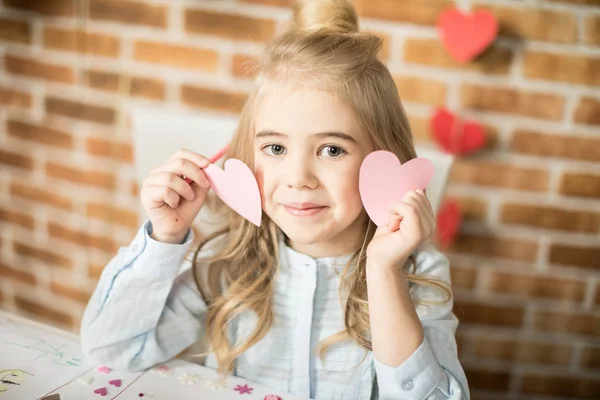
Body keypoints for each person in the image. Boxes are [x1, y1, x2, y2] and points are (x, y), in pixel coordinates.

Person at [80, 0, 469, 398]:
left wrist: (385, 276)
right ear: (248, 154)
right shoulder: (226, 265)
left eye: (332, 150)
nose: (298, 180)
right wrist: (164, 238)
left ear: (383, 158)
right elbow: (112, 354)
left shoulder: (415, 274)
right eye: (276, 149)